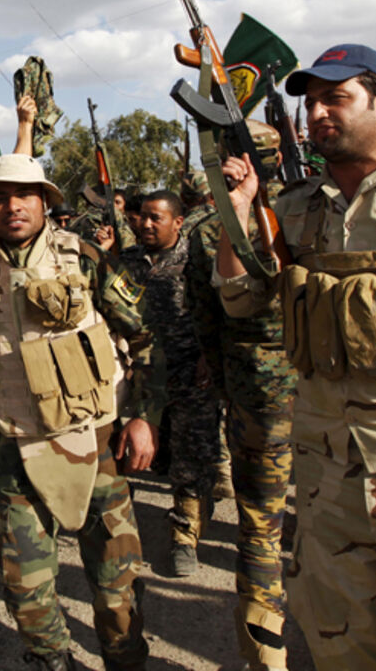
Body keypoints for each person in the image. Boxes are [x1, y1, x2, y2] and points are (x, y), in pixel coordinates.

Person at [215, 43, 376, 670]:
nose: (317, 114)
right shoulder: (297, 210)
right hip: (327, 479)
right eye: (310, 102)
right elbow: (241, 301)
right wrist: (240, 212)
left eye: (336, 98)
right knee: (343, 651)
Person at [0, 154, 152, 670]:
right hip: (17, 448)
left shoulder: (86, 256)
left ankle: (126, 658)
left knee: (118, 575)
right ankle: (52, 661)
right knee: (24, 585)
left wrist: (142, 416)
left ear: (44, 201)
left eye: (24, 195)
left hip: (94, 441)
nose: (12, 206)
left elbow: (142, 332)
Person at [184, 170, 296, 668]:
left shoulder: (209, 228)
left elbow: (206, 318)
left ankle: (265, 657)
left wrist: (228, 387)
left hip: (256, 394)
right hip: (326, 392)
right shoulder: (313, 208)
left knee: (261, 527)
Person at [118, 192, 222, 576]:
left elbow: (218, 313)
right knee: (133, 455)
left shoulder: (197, 261)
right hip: (141, 378)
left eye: (155, 218)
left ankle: (185, 536)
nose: (145, 224)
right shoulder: (124, 262)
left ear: (178, 222)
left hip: (190, 376)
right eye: (142, 217)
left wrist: (207, 355)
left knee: (191, 458)